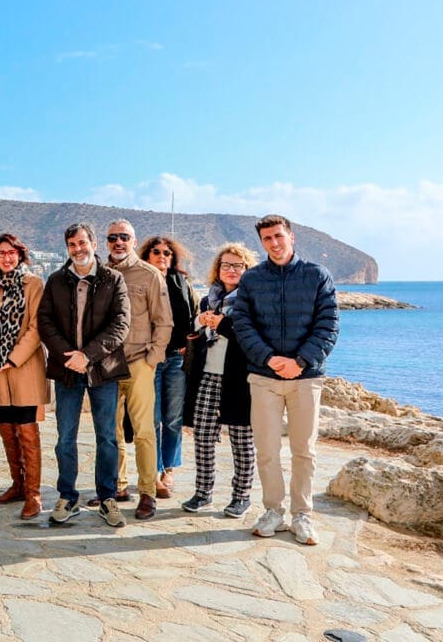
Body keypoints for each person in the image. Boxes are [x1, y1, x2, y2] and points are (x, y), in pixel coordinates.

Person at [231, 214, 339, 546]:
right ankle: (274, 511)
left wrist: (301, 361)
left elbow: (329, 324)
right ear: (261, 243)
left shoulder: (316, 276)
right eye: (267, 239)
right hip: (263, 377)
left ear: (291, 237)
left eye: (279, 236)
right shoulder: (252, 280)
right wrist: (269, 358)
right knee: (266, 449)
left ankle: (302, 515)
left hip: (306, 378)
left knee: (304, 450)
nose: (274, 243)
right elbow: (242, 324)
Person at [37, 222, 131, 527]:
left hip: (103, 369)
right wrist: (70, 356)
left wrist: (87, 356)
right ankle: (68, 497)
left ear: (93, 244)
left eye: (82, 243)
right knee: (65, 437)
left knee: (107, 437)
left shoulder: (112, 279)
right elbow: (45, 321)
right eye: (72, 245)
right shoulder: (55, 281)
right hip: (67, 371)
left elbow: (120, 324)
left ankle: (108, 498)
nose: (78, 249)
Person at [182, 243, 259, 518]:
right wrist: (200, 321)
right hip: (208, 375)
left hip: (240, 378)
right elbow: (197, 332)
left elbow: (252, 338)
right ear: (218, 268)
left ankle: (241, 497)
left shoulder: (252, 301)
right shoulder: (208, 300)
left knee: (241, 439)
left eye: (237, 265)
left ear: (247, 269)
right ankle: (203, 493)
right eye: (226, 265)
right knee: (202, 436)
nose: (231, 270)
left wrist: (221, 323)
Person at [105, 219, 172, 520]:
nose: (118, 242)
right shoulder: (100, 275)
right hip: (106, 365)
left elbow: (164, 321)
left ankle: (147, 492)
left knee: (144, 431)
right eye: (112, 238)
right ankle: (117, 486)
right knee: (111, 430)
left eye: (124, 237)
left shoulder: (149, 275)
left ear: (133, 241)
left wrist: (152, 360)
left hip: (138, 362)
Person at [0, 234, 48, 520]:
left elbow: (36, 327)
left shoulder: (33, 283)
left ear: (20, 254)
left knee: (27, 431)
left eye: (11, 252)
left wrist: (11, 358)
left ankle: (33, 493)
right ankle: (17, 484)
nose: (6, 257)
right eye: (0, 253)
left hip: (25, 368)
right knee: (6, 428)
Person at [139, 235, 198, 498]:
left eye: (167, 253)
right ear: (147, 256)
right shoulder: (140, 281)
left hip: (176, 358)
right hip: (149, 359)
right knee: (150, 419)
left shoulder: (182, 283)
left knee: (172, 418)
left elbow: (195, 315)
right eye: (156, 252)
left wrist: (189, 342)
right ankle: (154, 470)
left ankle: (169, 470)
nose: (162, 256)